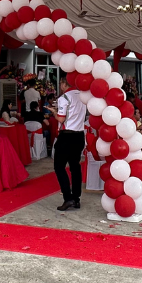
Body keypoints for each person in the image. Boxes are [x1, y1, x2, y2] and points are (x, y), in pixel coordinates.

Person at [54, 80, 87, 211]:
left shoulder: (64, 98)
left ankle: (68, 198)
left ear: (63, 84)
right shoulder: (82, 96)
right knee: (75, 167)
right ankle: (76, 198)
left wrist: (53, 112)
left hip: (67, 135)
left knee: (59, 166)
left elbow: (61, 119)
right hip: (79, 135)